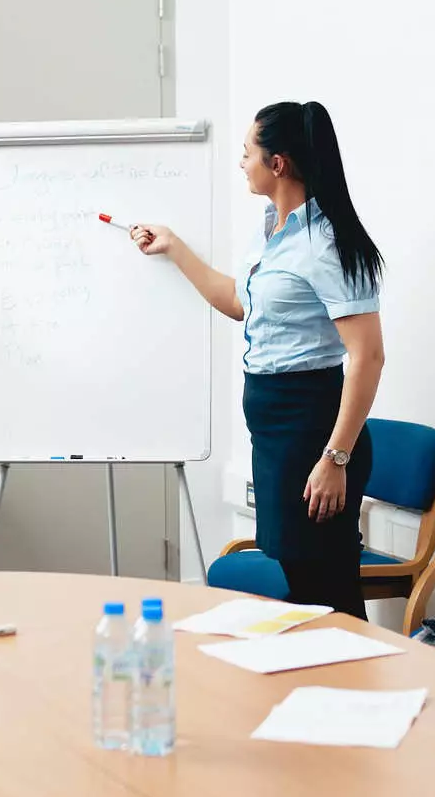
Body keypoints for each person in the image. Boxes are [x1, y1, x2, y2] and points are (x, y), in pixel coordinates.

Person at [133, 101, 385, 618]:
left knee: (328, 591)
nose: (241, 163)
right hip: (274, 429)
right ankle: (321, 689)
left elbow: (369, 357)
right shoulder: (271, 230)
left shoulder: (327, 244)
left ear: (278, 164)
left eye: (248, 153)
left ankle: (352, 690)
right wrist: (174, 247)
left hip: (314, 427)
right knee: (301, 576)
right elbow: (239, 303)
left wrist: (335, 459)